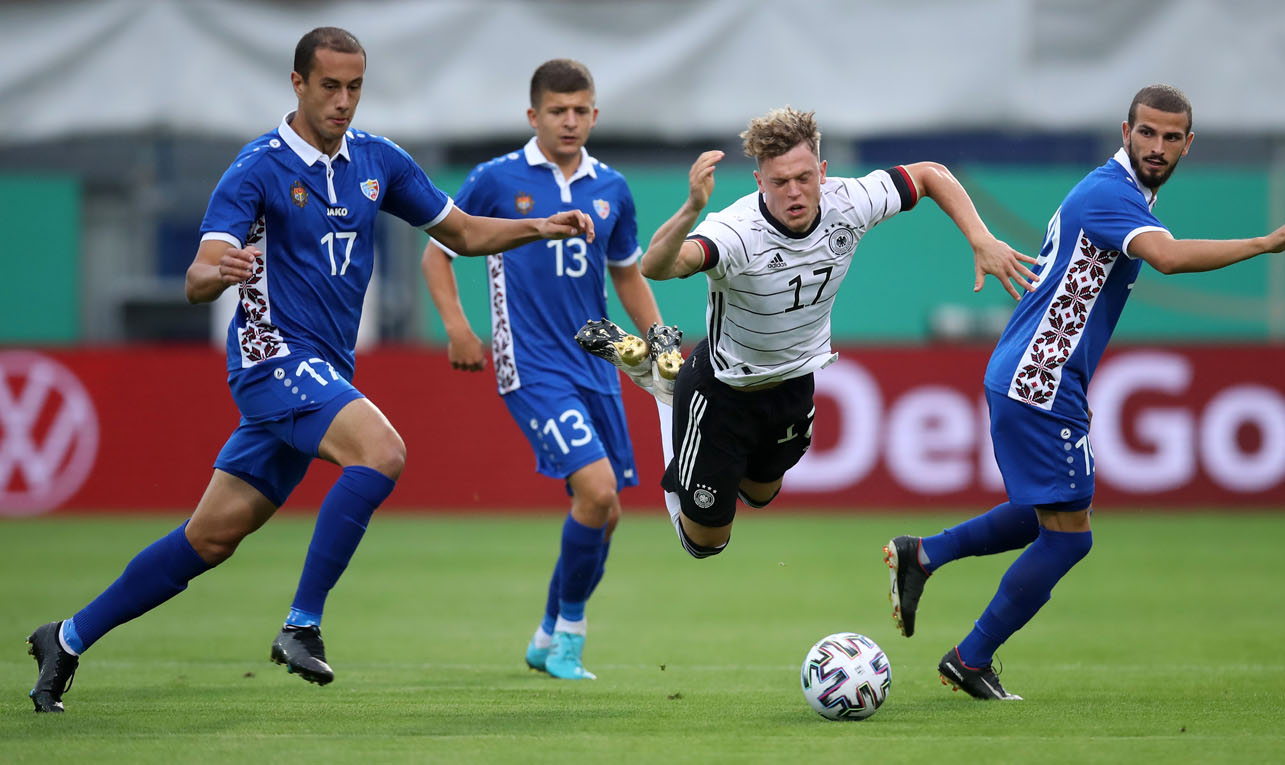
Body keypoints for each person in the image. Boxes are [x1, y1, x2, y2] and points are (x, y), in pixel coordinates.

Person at [25, 27, 593, 713]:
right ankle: (301, 624)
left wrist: (541, 226)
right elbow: (199, 274)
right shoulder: (257, 168)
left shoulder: (378, 160)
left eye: (355, 87)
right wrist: (217, 272)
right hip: (271, 359)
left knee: (210, 537)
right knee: (382, 452)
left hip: (321, 370)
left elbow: (465, 233)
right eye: (330, 86)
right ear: (298, 83)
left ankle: (66, 637)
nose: (343, 101)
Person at [884, 84, 1285, 701]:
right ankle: (969, 657)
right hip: (1039, 378)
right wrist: (1264, 242)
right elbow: (1168, 258)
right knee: (1070, 535)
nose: (1157, 146)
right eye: (1146, 132)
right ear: (1126, 133)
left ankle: (924, 555)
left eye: (1170, 137)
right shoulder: (1109, 193)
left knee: (1048, 512)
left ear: (1188, 144)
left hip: (1040, 376)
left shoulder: (1124, 194)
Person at [636, 106, 1038, 560]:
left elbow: (930, 174)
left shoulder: (849, 201)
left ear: (823, 172)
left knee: (761, 495)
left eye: (804, 178)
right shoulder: (735, 232)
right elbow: (657, 266)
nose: (794, 192)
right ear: (759, 182)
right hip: (723, 391)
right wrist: (692, 208)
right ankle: (666, 392)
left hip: (792, 383)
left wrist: (981, 238)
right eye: (779, 182)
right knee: (706, 544)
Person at [421, 59, 667, 681]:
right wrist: (458, 327)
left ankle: (545, 634)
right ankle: (570, 641)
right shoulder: (495, 179)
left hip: (597, 362)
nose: (570, 121)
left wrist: (659, 340)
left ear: (595, 114)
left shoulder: (611, 187)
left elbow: (626, 274)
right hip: (530, 364)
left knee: (606, 511)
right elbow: (436, 255)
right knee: (598, 491)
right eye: (558, 111)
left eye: (581, 110)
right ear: (533, 116)